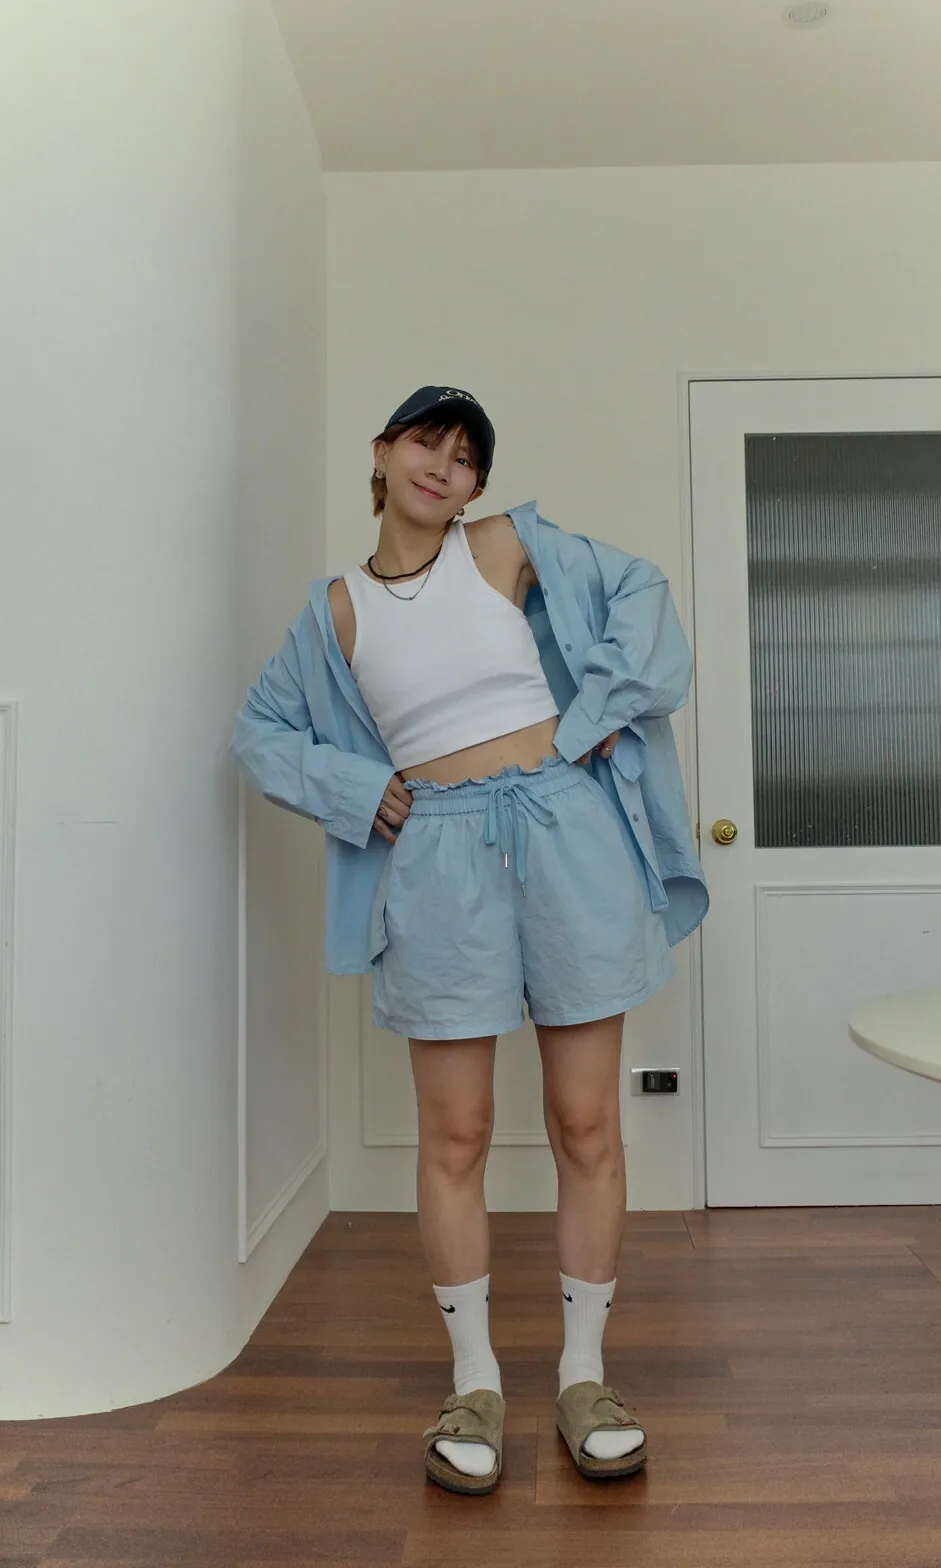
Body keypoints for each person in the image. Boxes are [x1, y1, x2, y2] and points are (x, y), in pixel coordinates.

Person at [232, 385, 708, 1495]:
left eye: (464, 455)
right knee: (455, 1133)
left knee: (586, 1120)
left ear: (476, 485)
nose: (443, 464)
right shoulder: (335, 612)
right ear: (384, 451)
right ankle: (475, 1382)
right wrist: (357, 789)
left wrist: (592, 716)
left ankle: (585, 1375)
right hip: (438, 856)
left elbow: (642, 590)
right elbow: (259, 731)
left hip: (568, 828)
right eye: (426, 442)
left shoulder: (503, 546)